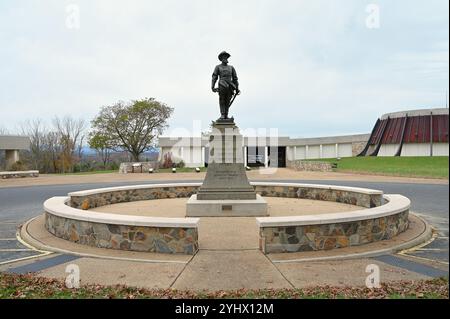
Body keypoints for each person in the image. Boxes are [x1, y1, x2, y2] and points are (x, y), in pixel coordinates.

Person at [211, 51, 240, 120]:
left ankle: (226, 115)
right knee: (222, 100)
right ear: (221, 58)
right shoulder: (218, 67)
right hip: (222, 85)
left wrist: (237, 88)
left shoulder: (231, 67)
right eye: (223, 56)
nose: (225, 58)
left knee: (228, 100)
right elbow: (214, 77)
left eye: (226, 56)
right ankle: (223, 114)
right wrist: (212, 86)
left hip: (230, 86)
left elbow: (235, 78)